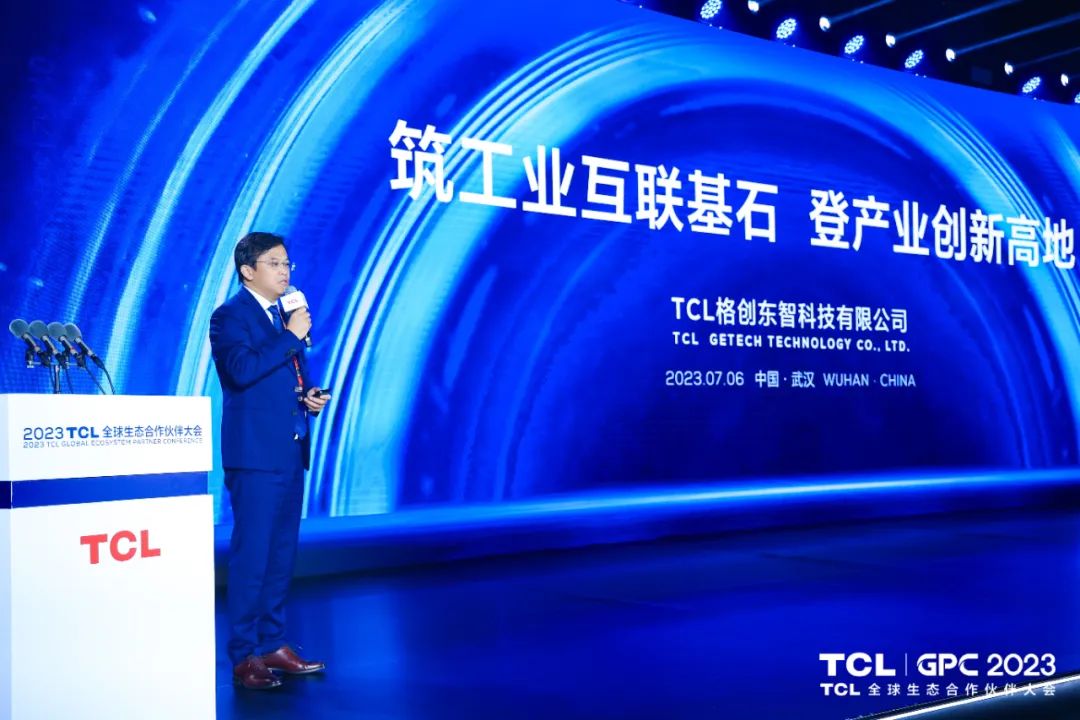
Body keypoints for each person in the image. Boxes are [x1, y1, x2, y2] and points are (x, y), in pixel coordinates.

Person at [209, 231, 330, 690]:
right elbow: (241, 371)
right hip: (255, 455)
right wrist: (291, 335)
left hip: (289, 449)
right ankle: (244, 655)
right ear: (248, 270)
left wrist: (307, 396)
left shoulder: (282, 318)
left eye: (287, 264)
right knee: (253, 556)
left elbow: (281, 375)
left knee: (281, 555)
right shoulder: (230, 316)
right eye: (275, 263)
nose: (284, 271)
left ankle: (273, 643)